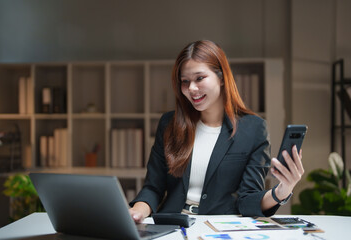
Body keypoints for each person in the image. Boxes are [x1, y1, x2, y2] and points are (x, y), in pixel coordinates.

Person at [129, 40, 304, 223]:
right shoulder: (169, 124)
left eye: (199, 78)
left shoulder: (253, 129)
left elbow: (248, 200)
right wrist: (136, 212)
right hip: (171, 225)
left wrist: (282, 191)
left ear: (221, 78)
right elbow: (153, 188)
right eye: (185, 81)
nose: (191, 89)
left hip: (219, 227)